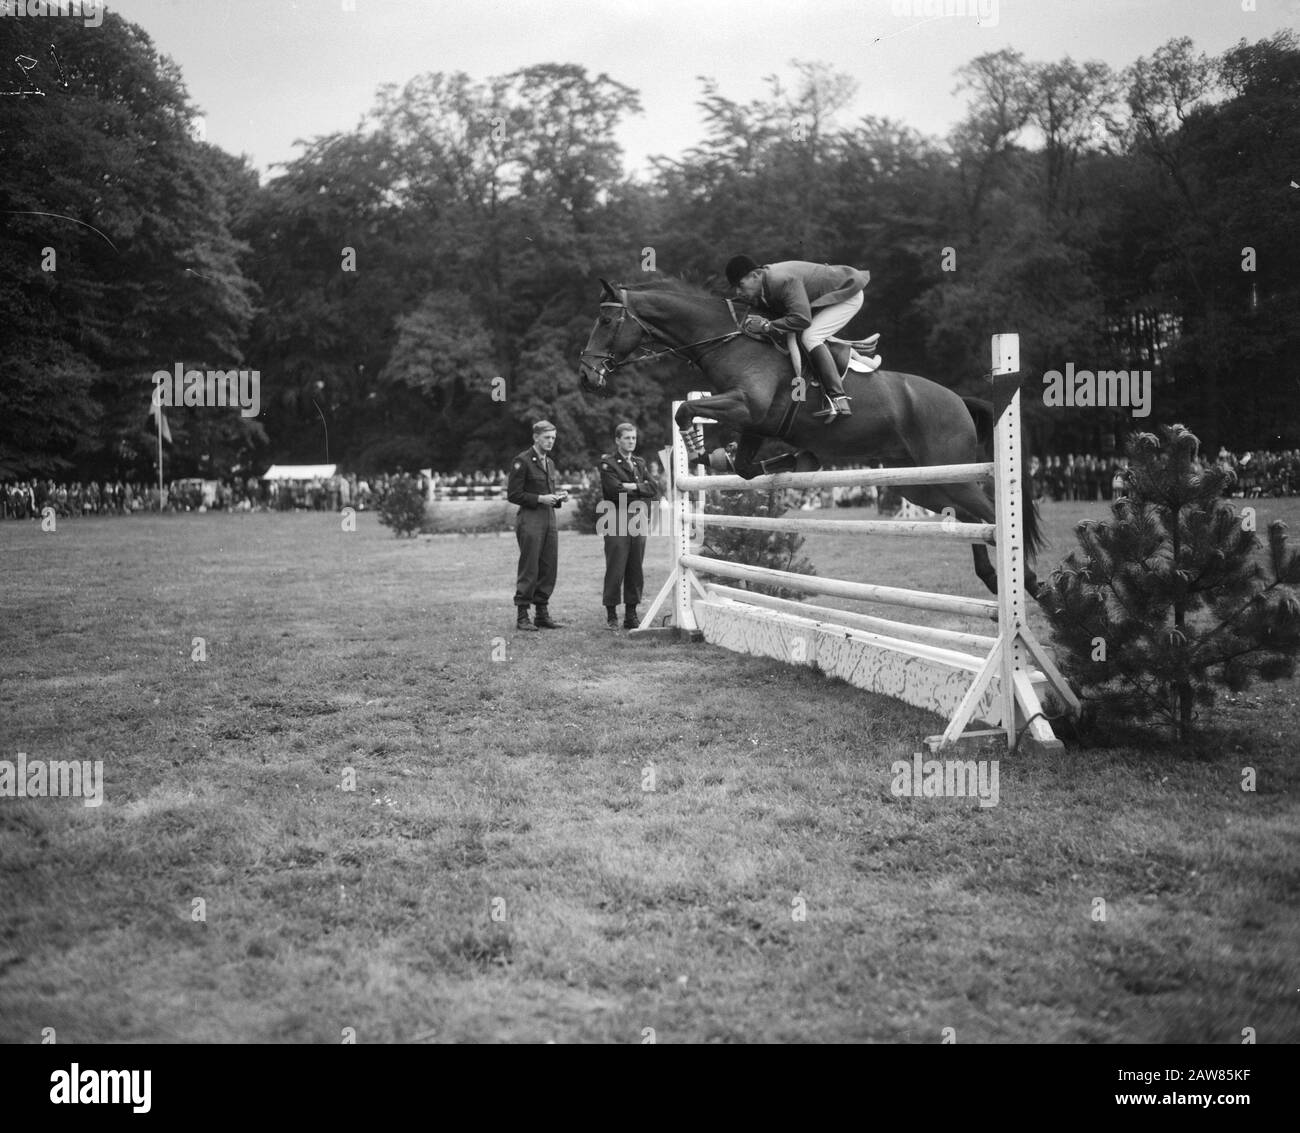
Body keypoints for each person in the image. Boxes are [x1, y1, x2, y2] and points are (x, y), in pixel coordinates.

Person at [725, 256, 871, 421]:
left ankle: (838, 398)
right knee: (799, 334)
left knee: (811, 337)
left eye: (740, 285)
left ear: (755, 275)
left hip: (847, 293)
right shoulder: (764, 283)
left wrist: (767, 326)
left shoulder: (781, 280)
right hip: (826, 297)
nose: (738, 292)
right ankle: (807, 393)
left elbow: (802, 319)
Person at [598, 422, 661, 629]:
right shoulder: (608, 463)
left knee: (636, 567)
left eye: (633, 438)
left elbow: (654, 487)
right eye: (627, 438)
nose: (631, 442)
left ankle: (631, 614)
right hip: (616, 517)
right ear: (617, 440)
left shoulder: (639, 463)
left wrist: (633, 485)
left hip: (637, 518)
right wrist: (639, 489)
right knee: (616, 567)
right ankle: (611, 614)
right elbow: (615, 491)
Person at [507, 420, 568, 631]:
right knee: (530, 566)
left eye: (553, 438)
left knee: (549, 566)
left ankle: (542, 613)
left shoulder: (549, 463)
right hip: (530, 519)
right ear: (536, 437)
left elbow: (547, 493)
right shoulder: (521, 461)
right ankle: (523, 615)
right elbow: (514, 494)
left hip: (549, 519)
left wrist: (559, 498)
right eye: (546, 438)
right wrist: (541, 499)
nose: (551, 441)